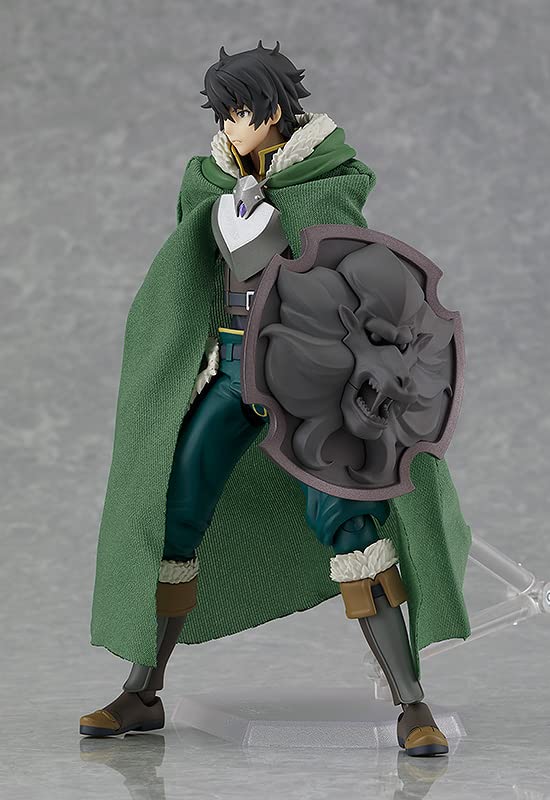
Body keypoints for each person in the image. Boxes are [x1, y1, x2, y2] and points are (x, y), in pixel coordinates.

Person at [80, 42, 471, 757]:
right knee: (174, 510)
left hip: (310, 383)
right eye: (222, 115)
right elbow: (192, 275)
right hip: (231, 368)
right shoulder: (208, 183)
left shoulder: (328, 182)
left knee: (347, 519)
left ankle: (410, 703)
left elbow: (349, 275)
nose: (230, 128)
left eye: (240, 112)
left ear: (274, 110)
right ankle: (143, 690)